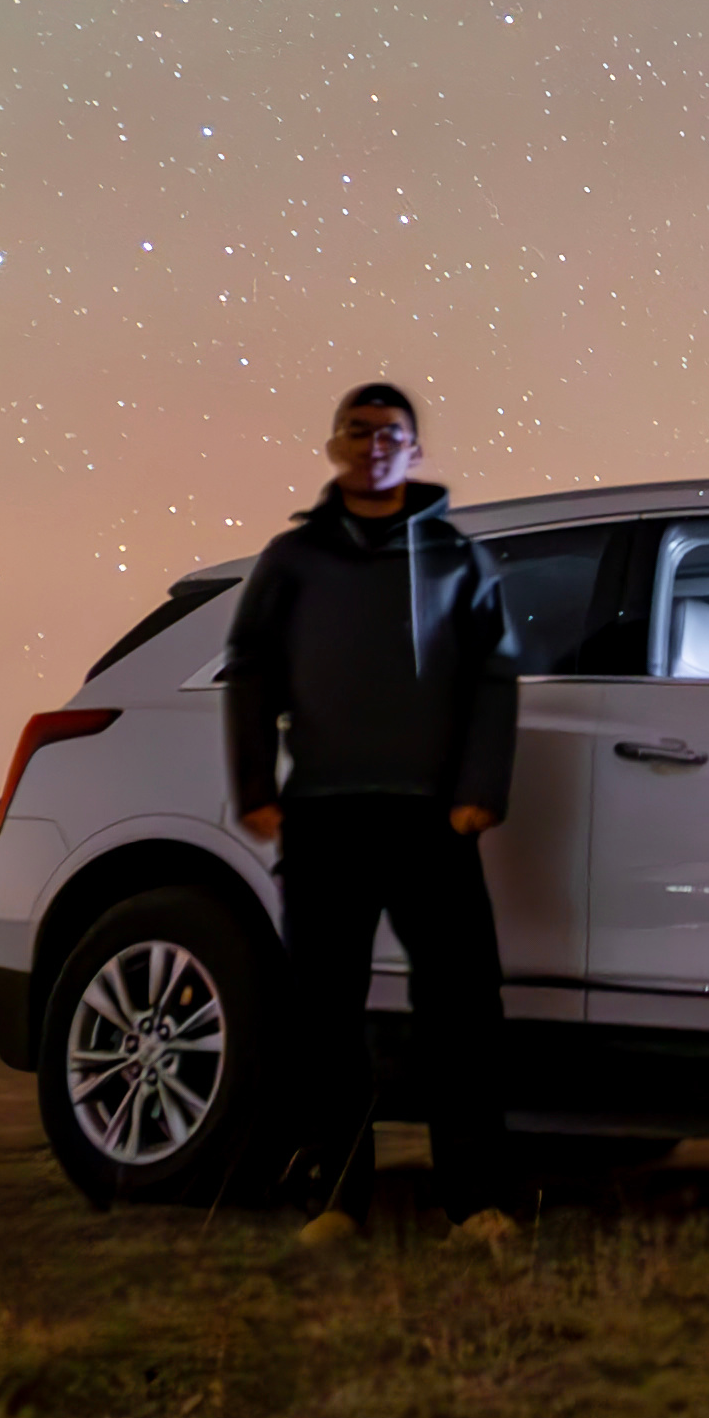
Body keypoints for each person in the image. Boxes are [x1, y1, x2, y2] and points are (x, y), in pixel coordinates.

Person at [219, 379, 526, 1197]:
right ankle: (337, 1197)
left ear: (415, 452)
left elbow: (495, 676)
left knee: (464, 1007)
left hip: (435, 818)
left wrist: (481, 790)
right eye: (358, 431)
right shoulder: (292, 560)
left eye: (391, 434)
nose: (374, 445)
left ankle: (476, 1199)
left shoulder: (460, 558)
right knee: (323, 1010)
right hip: (324, 813)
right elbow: (249, 670)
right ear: (334, 446)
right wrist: (256, 786)